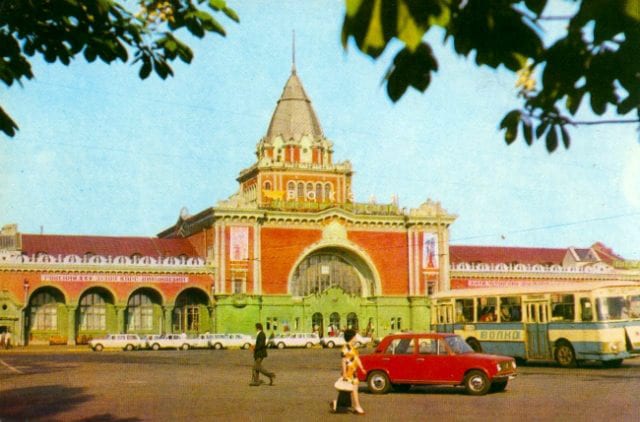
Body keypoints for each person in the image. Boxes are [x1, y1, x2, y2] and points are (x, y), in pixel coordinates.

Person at [331, 329, 365, 415]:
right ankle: (357, 406)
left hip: (354, 371)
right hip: (349, 372)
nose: (356, 338)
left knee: (347, 390)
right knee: (354, 389)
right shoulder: (345, 348)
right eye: (355, 337)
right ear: (352, 337)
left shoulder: (353, 348)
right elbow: (343, 361)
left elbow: (357, 359)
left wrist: (362, 368)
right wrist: (344, 374)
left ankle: (337, 404)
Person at [250, 322, 275, 387]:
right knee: (256, 368)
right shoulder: (260, 334)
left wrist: (254, 348)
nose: (255, 329)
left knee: (256, 367)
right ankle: (256, 381)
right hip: (259, 353)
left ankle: (270, 375)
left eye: (255, 327)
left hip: (260, 353)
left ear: (258, 328)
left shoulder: (261, 334)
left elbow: (260, 344)